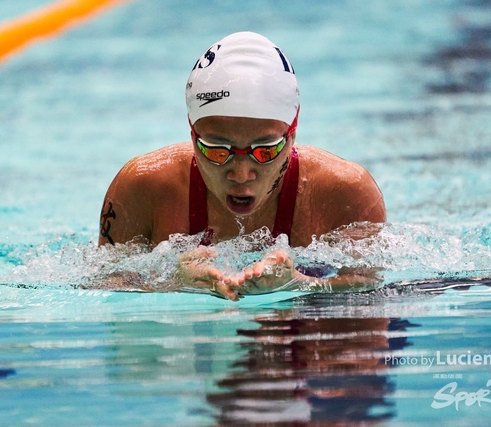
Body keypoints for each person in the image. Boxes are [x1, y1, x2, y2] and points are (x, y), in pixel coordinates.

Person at [98, 32, 386, 300]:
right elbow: (103, 287)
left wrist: (299, 282)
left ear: (292, 134)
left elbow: (372, 288)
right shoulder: (142, 186)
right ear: (192, 134)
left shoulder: (345, 192)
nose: (241, 173)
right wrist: (173, 283)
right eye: (216, 151)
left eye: (265, 151)